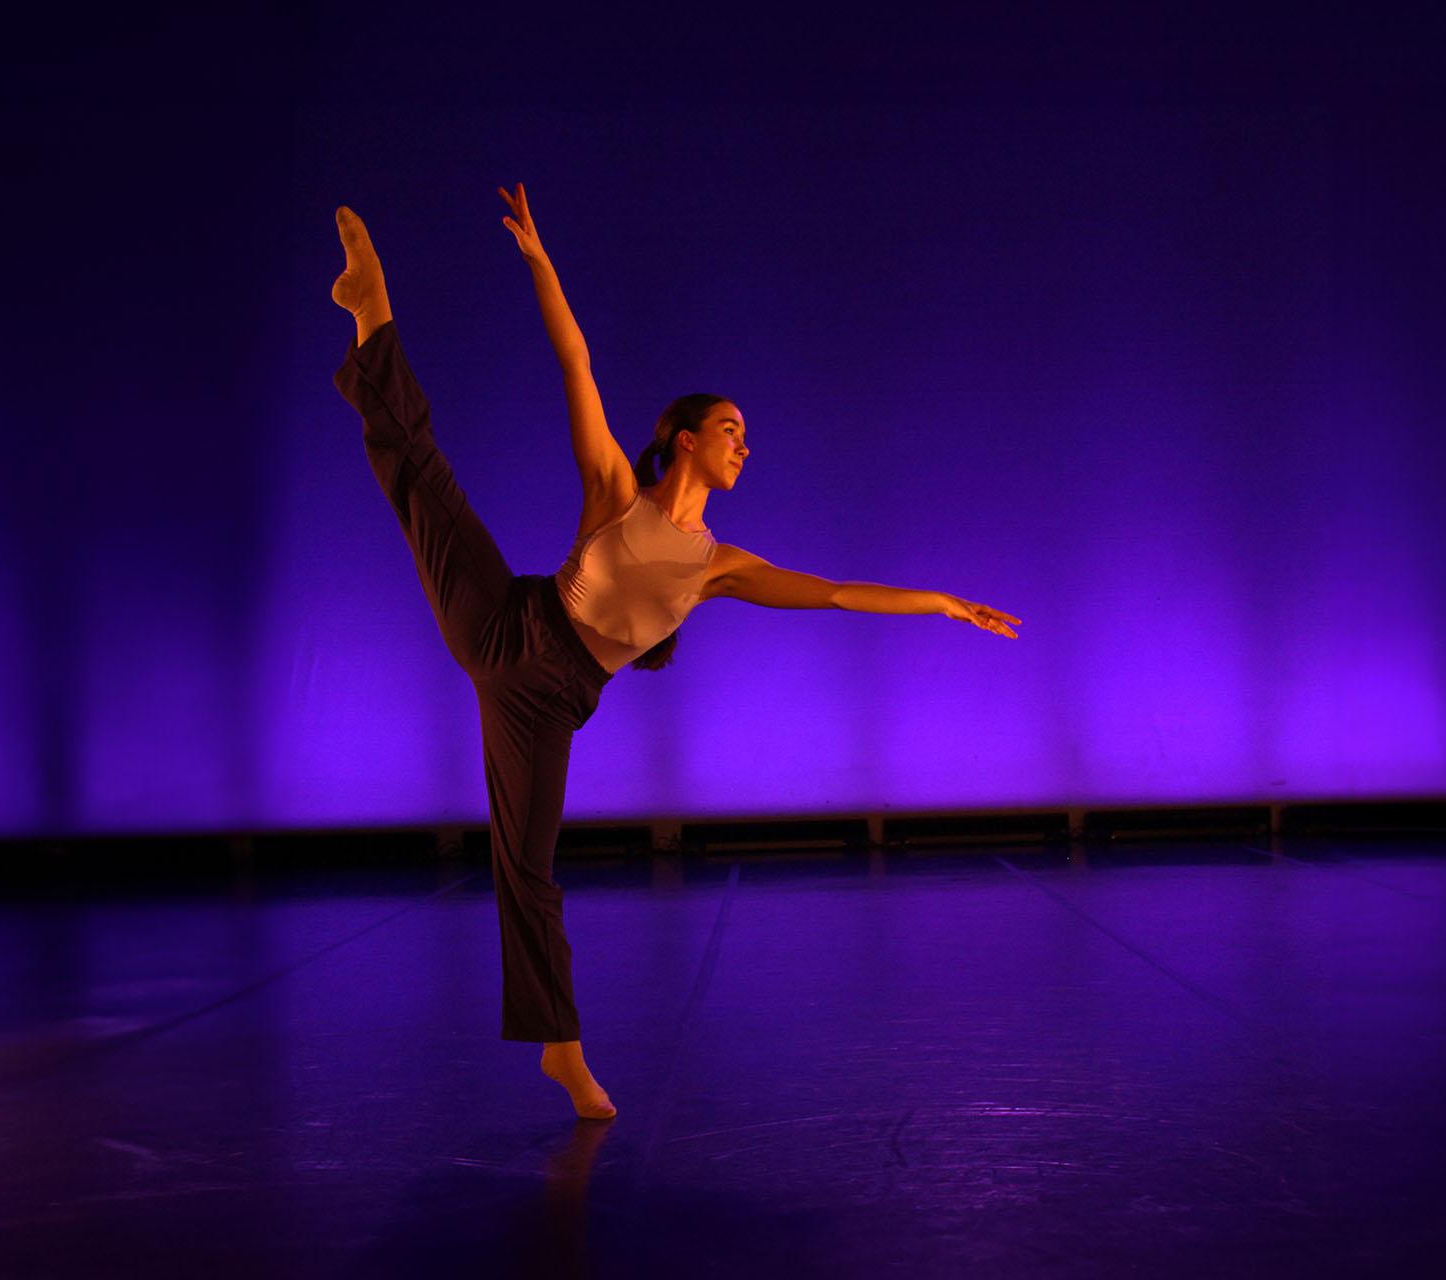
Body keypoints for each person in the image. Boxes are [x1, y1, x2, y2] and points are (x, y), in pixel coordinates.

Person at [329, 185, 1022, 1122]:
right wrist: (540, 261)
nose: (745, 444)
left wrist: (938, 602)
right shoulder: (617, 485)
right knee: (426, 482)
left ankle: (559, 1053)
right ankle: (371, 312)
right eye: (732, 428)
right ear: (689, 440)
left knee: (526, 870)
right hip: (509, 617)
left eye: (750, 436)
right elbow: (574, 361)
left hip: (547, 698)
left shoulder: (717, 566)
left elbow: (832, 592)